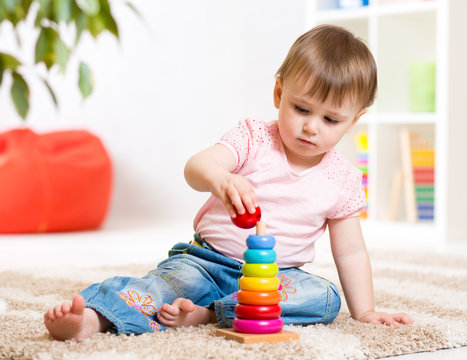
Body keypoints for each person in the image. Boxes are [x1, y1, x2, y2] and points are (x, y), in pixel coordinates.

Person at [44, 24, 413, 341]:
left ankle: (212, 313)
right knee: (160, 287)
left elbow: (349, 252)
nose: (311, 126)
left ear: (354, 121)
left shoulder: (343, 180)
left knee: (326, 298)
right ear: (279, 93)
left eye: (331, 119)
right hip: (206, 261)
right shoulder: (253, 137)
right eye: (301, 109)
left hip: (273, 279)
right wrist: (219, 178)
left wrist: (365, 311)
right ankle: (90, 319)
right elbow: (196, 166)